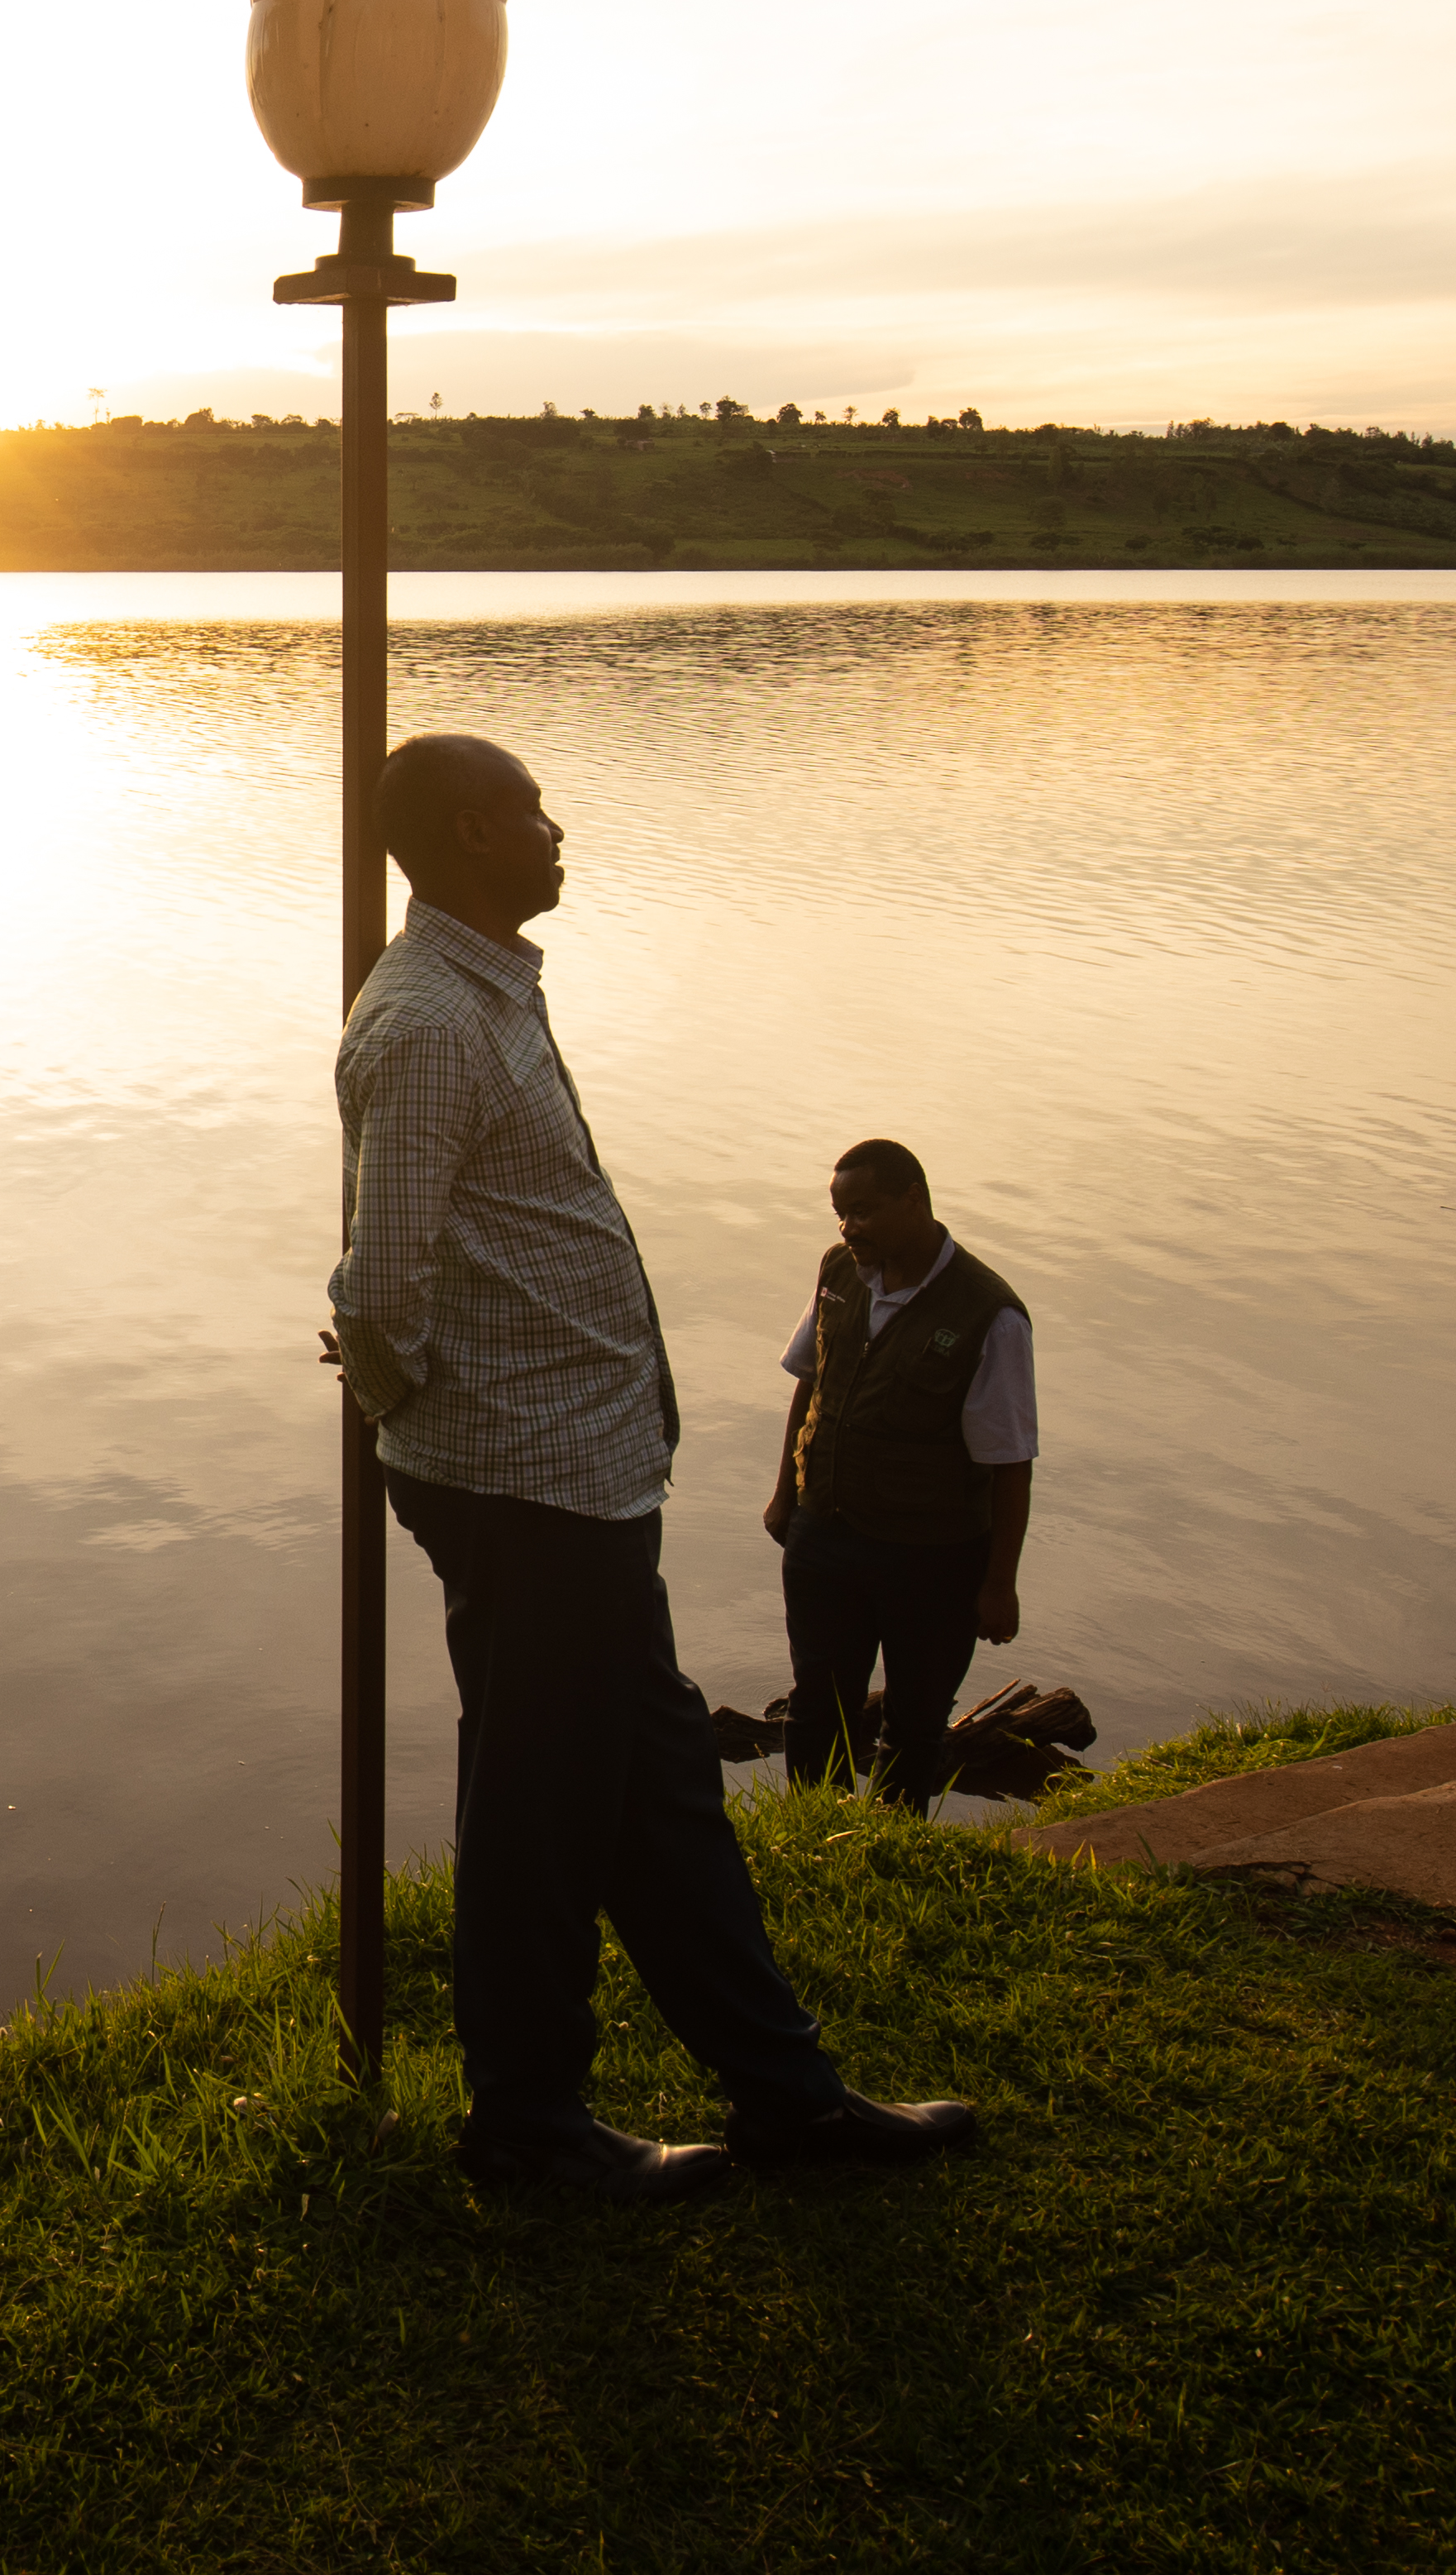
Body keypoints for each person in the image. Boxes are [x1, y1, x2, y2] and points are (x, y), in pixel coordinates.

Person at [325, 731, 978, 2204]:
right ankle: (530, 2128)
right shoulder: (429, 1019)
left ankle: (783, 2095)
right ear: (478, 833)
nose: (562, 835)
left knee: (654, 1788)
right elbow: (378, 1290)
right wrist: (424, 1403)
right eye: (537, 814)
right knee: (543, 1806)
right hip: (527, 1482)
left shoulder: (483, 989)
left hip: (577, 1472)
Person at [763, 1139, 1035, 1809]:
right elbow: (810, 1383)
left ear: (913, 1200)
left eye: (864, 1210)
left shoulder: (988, 1314)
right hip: (825, 1535)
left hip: (932, 1557)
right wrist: (785, 1497)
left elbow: (1009, 1463)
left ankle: (894, 1849)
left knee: (913, 1726)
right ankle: (814, 1845)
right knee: (816, 1706)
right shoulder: (840, 1271)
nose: (848, 1227)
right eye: (840, 1213)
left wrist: (999, 1585)